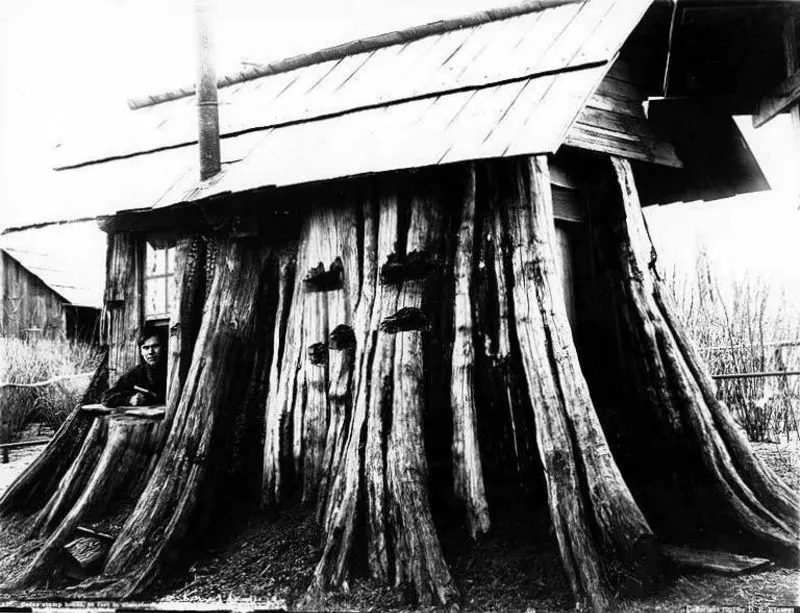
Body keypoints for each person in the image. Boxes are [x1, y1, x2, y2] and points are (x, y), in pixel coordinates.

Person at [101, 325, 167, 407]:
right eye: (146, 348)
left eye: (155, 346)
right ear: (141, 352)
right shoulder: (136, 373)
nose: (150, 352)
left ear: (164, 347)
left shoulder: (172, 370)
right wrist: (129, 399)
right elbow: (106, 397)